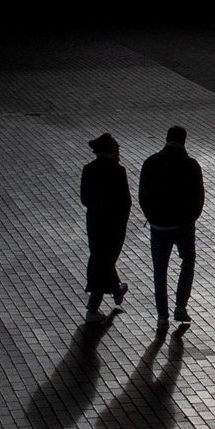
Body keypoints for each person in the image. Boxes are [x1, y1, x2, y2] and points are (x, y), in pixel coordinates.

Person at [137, 125, 205, 330]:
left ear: (166, 139)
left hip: (158, 225)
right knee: (188, 261)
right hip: (183, 224)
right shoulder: (191, 165)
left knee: (160, 269)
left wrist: (151, 216)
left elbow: (142, 195)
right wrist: (190, 218)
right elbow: (199, 197)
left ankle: (162, 317)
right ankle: (181, 306)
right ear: (184, 141)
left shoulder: (151, 163)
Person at [80, 133, 131, 324]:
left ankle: (117, 291)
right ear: (110, 150)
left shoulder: (89, 169)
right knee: (104, 262)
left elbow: (85, 198)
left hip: (95, 222)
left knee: (101, 258)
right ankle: (92, 309)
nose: (119, 151)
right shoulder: (118, 171)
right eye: (117, 148)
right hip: (114, 224)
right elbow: (126, 202)